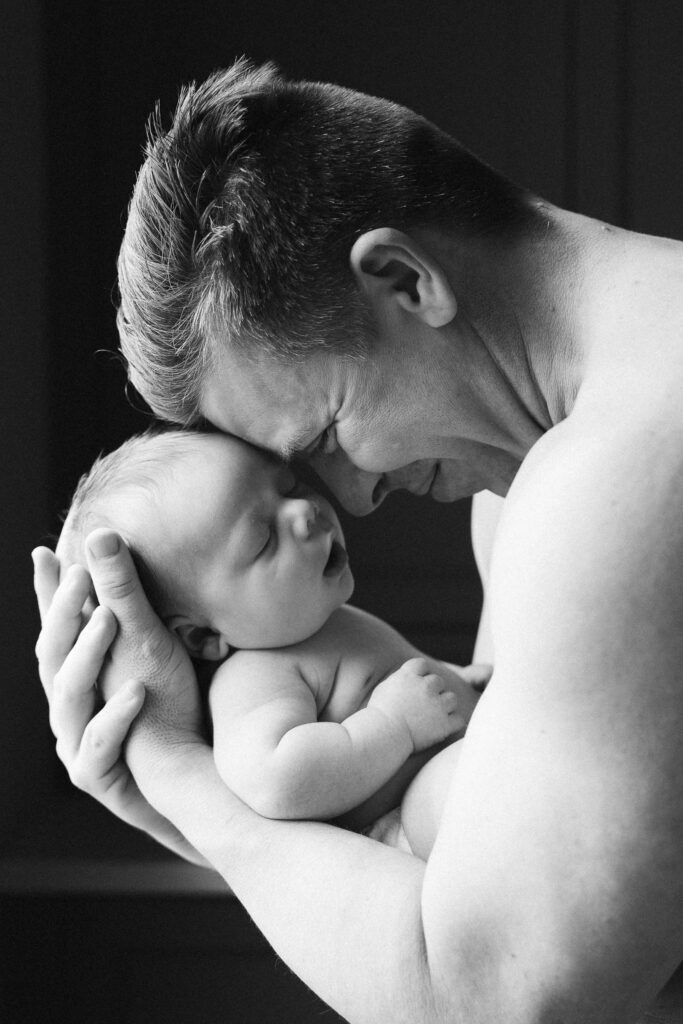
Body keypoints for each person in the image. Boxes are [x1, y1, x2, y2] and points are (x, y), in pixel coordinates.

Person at [34, 59, 683, 1024]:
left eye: (325, 440)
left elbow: (497, 1000)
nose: (351, 502)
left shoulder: (617, 481)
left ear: (401, 278)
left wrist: (178, 776)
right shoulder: (523, 486)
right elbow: (473, 876)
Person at [56, 426, 483, 849]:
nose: (303, 511)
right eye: (263, 540)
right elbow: (278, 780)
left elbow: (389, 669)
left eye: (289, 486)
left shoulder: (316, 622)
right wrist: (393, 725)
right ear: (204, 635)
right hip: (405, 829)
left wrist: (458, 680)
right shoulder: (251, 679)